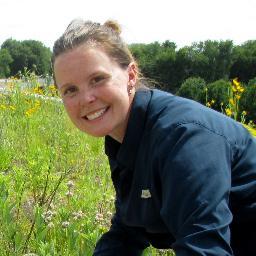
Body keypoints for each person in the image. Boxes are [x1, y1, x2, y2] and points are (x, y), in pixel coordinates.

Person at [52, 19, 256, 256]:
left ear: (130, 75)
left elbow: (203, 248)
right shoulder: (125, 137)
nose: (86, 98)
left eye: (97, 79)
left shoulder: (183, 138)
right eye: (70, 90)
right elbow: (128, 230)